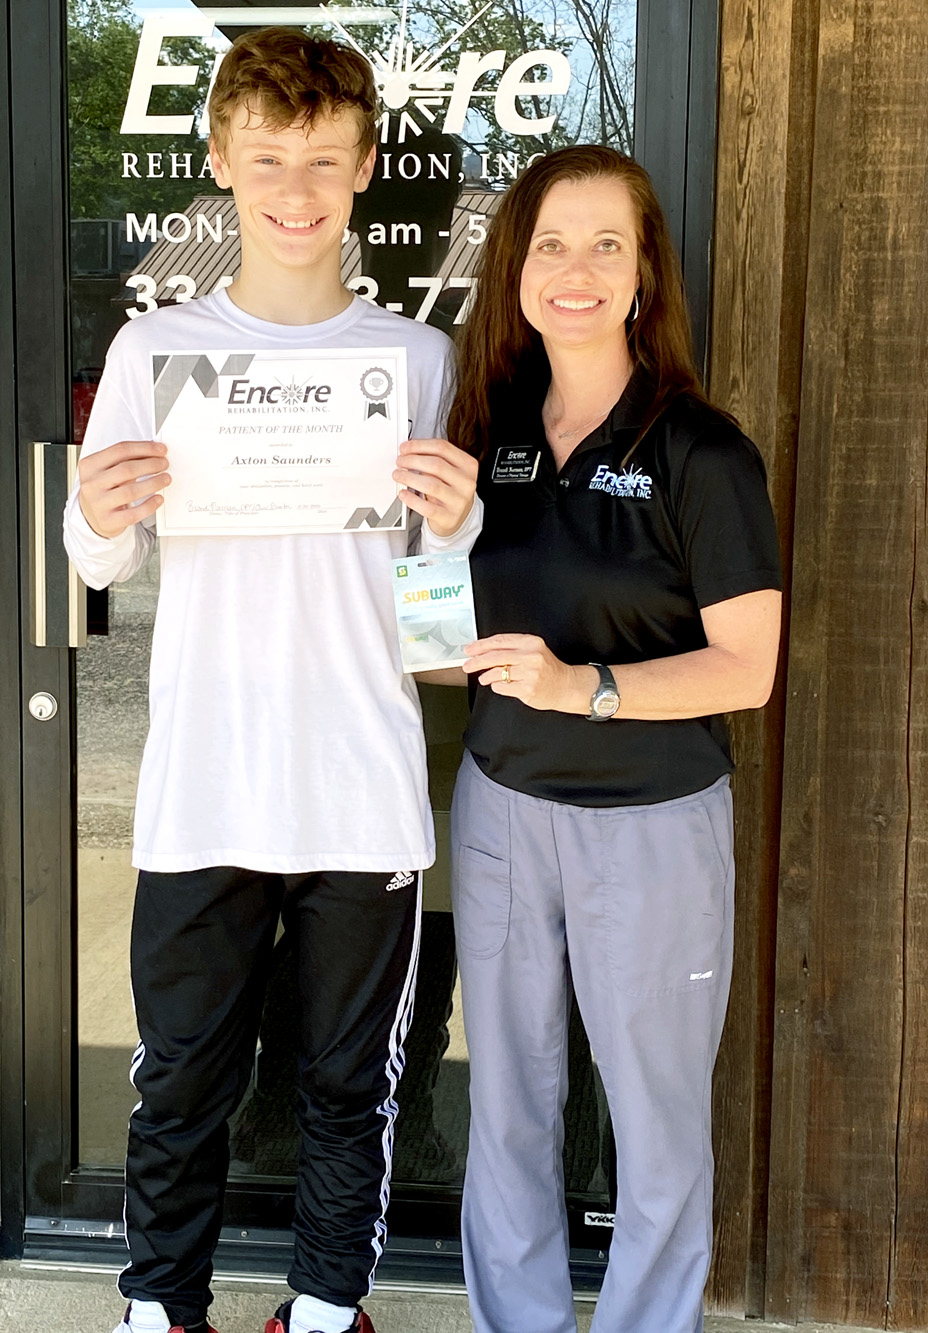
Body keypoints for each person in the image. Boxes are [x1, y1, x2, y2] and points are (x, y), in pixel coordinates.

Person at [63, 28, 479, 1333]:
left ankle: (321, 1307)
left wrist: (455, 530)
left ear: (363, 167)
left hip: (360, 788)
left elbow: (434, 624)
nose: (295, 190)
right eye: (267, 160)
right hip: (205, 782)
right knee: (181, 1074)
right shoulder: (155, 353)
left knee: (352, 1085)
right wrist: (92, 510)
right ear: (221, 165)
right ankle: (157, 1310)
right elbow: (101, 560)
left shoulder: (414, 361)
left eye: (321, 159)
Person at [444, 145, 782, 1333]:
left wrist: (583, 685)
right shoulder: (481, 432)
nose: (573, 270)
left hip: (651, 826)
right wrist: (414, 576)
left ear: (644, 276)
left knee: (654, 1117)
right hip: (501, 811)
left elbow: (748, 666)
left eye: (604, 245)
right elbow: (445, 643)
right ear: (517, 270)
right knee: (511, 1112)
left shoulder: (701, 450)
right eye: (548, 243)